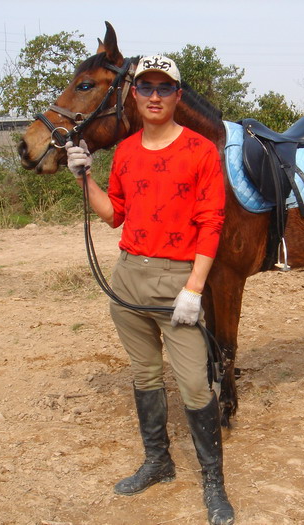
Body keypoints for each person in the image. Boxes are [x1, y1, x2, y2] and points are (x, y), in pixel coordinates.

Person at [65, 55, 233, 525]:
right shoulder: (126, 152)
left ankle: (213, 483)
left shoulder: (201, 151)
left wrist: (195, 289)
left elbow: (211, 223)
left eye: (164, 88)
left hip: (177, 281)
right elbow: (114, 214)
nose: (154, 96)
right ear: (133, 95)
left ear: (178, 96)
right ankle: (158, 462)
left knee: (196, 386)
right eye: (145, 88)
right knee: (144, 376)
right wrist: (85, 177)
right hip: (128, 278)